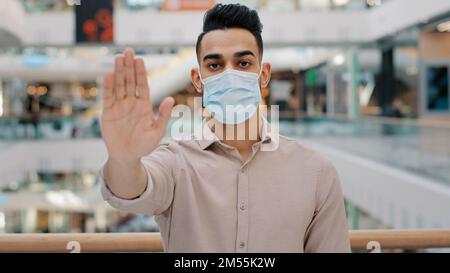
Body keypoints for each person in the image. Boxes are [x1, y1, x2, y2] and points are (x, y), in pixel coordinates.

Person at [99, 3, 350, 253]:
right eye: (215, 66)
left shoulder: (316, 173)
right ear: (198, 79)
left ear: (264, 75)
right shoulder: (175, 163)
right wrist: (124, 159)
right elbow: (131, 190)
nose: (230, 75)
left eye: (243, 64)